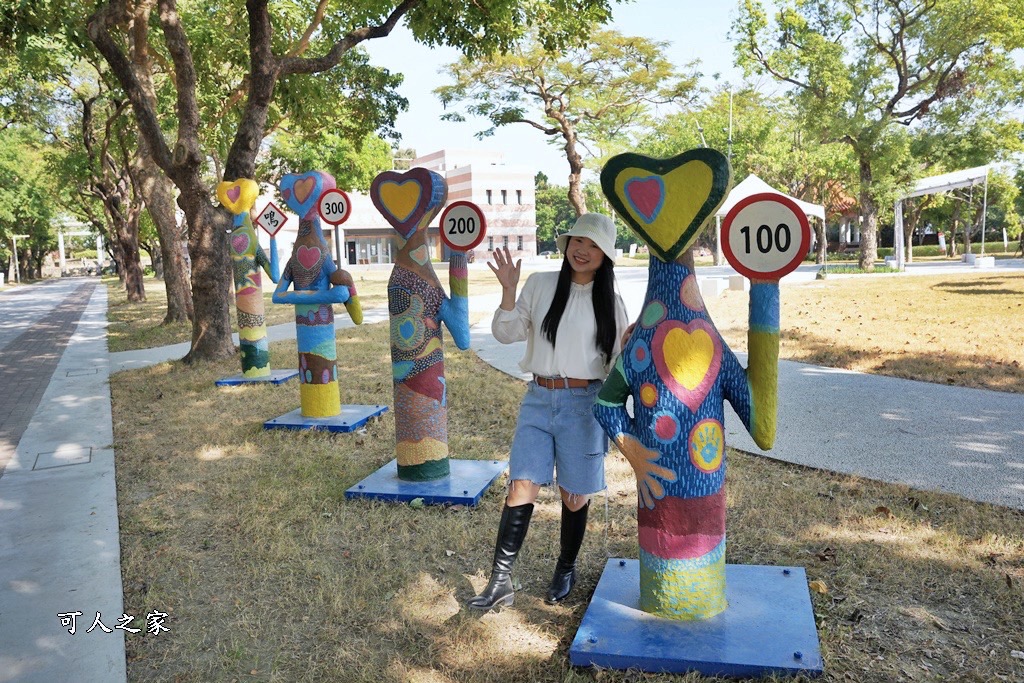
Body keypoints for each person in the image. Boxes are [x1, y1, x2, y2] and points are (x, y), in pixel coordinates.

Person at [468, 213, 629, 610]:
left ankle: (565, 566)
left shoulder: (611, 302)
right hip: (539, 399)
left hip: (584, 405)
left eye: (593, 246)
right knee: (521, 484)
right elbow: (506, 333)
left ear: (605, 256)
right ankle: (500, 581)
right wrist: (508, 290)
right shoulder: (541, 285)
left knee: (574, 495)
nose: (582, 250)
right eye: (578, 241)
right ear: (567, 244)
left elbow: (618, 366)